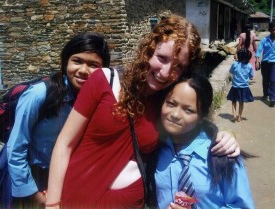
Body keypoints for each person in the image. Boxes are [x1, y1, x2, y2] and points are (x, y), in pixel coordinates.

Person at [46, 15, 240, 209]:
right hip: (78, 198)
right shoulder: (103, 80)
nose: (165, 72)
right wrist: (53, 203)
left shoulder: (167, 104)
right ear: (149, 49)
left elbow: (191, 123)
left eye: (178, 66)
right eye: (162, 58)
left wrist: (222, 135)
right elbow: (65, 144)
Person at [0, 32, 110, 209]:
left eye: (93, 65)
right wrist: (33, 194)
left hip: (54, 176)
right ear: (66, 61)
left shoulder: (96, 100)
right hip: (22, 174)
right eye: (77, 61)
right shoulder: (40, 94)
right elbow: (16, 147)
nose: (83, 70)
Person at [155, 74, 255, 209]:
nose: (175, 114)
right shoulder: (154, 150)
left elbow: (243, 206)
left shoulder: (223, 156)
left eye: (188, 110)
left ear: (201, 116)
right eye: (171, 103)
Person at [227, 48, 254, 122]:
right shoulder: (249, 66)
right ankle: (239, 117)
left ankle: (234, 115)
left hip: (235, 86)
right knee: (241, 102)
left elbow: (231, 71)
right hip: (244, 87)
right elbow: (251, 76)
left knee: (233, 101)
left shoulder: (235, 64)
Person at [255, 21, 275, 107]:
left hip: (274, 63)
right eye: (273, 30)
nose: (274, 32)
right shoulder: (264, 40)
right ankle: (265, 94)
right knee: (265, 79)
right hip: (265, 63)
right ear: (270, 30)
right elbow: (259, 51)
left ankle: (272, 98)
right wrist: (257, 61)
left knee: (273, 80)